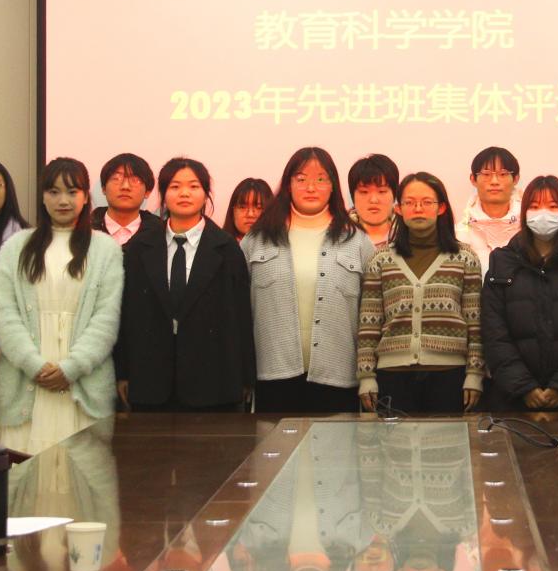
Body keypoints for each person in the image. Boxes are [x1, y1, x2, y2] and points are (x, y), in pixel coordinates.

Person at [0, 157, 123, 454]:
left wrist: (70, 368)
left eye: (72, 192)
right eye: (53, 191)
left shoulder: (106, 249)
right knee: (22, 470)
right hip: (25, 378)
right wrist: (34, 365)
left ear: (86, 196)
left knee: (81, 471)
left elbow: (105, 319)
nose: (63, 200)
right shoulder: (15, 247)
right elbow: (6, 315)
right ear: (42, 196)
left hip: (82, 381)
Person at [115, 157, 254, 411]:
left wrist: (245, 377)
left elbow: (241, 317)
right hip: (151, 381)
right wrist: (123, 371)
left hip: (213, 382)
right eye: (175, 186)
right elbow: (127, 314)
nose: (184, 193)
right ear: (163, 194)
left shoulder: (226, 249)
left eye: (193, 186)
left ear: (206, 193)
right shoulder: (139, 248)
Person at [244, 147, 375, 413]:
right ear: (288, 185)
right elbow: (237, 312)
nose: (311, 187)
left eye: (321, 179)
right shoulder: (257, 240)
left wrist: (368, 373)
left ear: (333, 186)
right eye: (301, 179)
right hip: (272, 374)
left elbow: (371, 314)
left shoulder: (357, 241)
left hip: (338, 375)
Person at [356, 172, 483, 413]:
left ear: (441, 207)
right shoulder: (381, 260)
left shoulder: (465, 258)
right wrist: (366, 376)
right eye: (410, 202)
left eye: (426, 202)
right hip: (392, 376)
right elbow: (369, 324)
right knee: (394, 439)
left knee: (448, 438)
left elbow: (475, 322)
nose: (418, 209)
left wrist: (475, 373)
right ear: (399, 209)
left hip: (450, 376)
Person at [480, 175, 558, 411]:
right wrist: (523, 387)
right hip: (512, 401)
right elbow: (494, 333)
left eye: (552, 206)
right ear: (524, 213)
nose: (543, 214)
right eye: (534, 206)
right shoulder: (502, 262)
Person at [456, 146, 522, 269]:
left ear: (516, 179)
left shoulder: (528, 230)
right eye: (486, 174)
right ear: (473, 179)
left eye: (503, 174)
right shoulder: (459, 235)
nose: (494, 181)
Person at [91, 152, 162, 247]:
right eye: (116, 178)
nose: (125, 186)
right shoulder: (83, 231)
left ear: (147, 192)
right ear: (104, 188)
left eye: (135, 180)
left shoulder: (161, 234)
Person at [348, 154, 400, 250]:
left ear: (394, 194)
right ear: (353, 196)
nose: (373, 200)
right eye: (364, 192)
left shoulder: (411, 236)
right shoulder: (337, 237)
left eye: (382, 191)